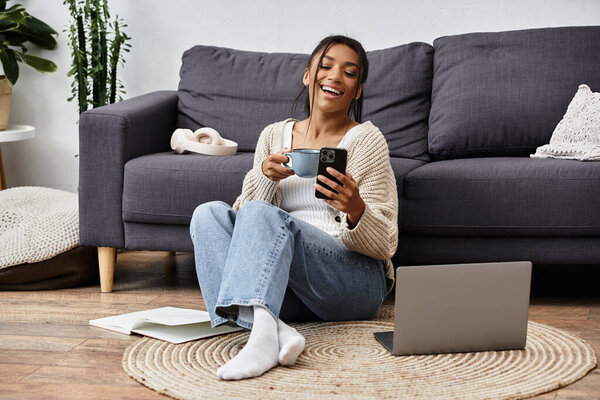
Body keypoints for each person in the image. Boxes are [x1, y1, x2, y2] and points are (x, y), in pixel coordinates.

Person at [190, 35, 398, 381]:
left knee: (263, 215)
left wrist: (356, 208)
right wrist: (265, 177)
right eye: (326, 66)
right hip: (287, 287)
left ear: (357, 90)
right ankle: (273, 330)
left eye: (349, 73)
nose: (334, 77)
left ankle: (260, 337)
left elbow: (386, 244)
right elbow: (246, 224)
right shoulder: (274, 135)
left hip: (348, 283)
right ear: (307, 75)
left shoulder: (367, 141)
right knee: (207, 214)